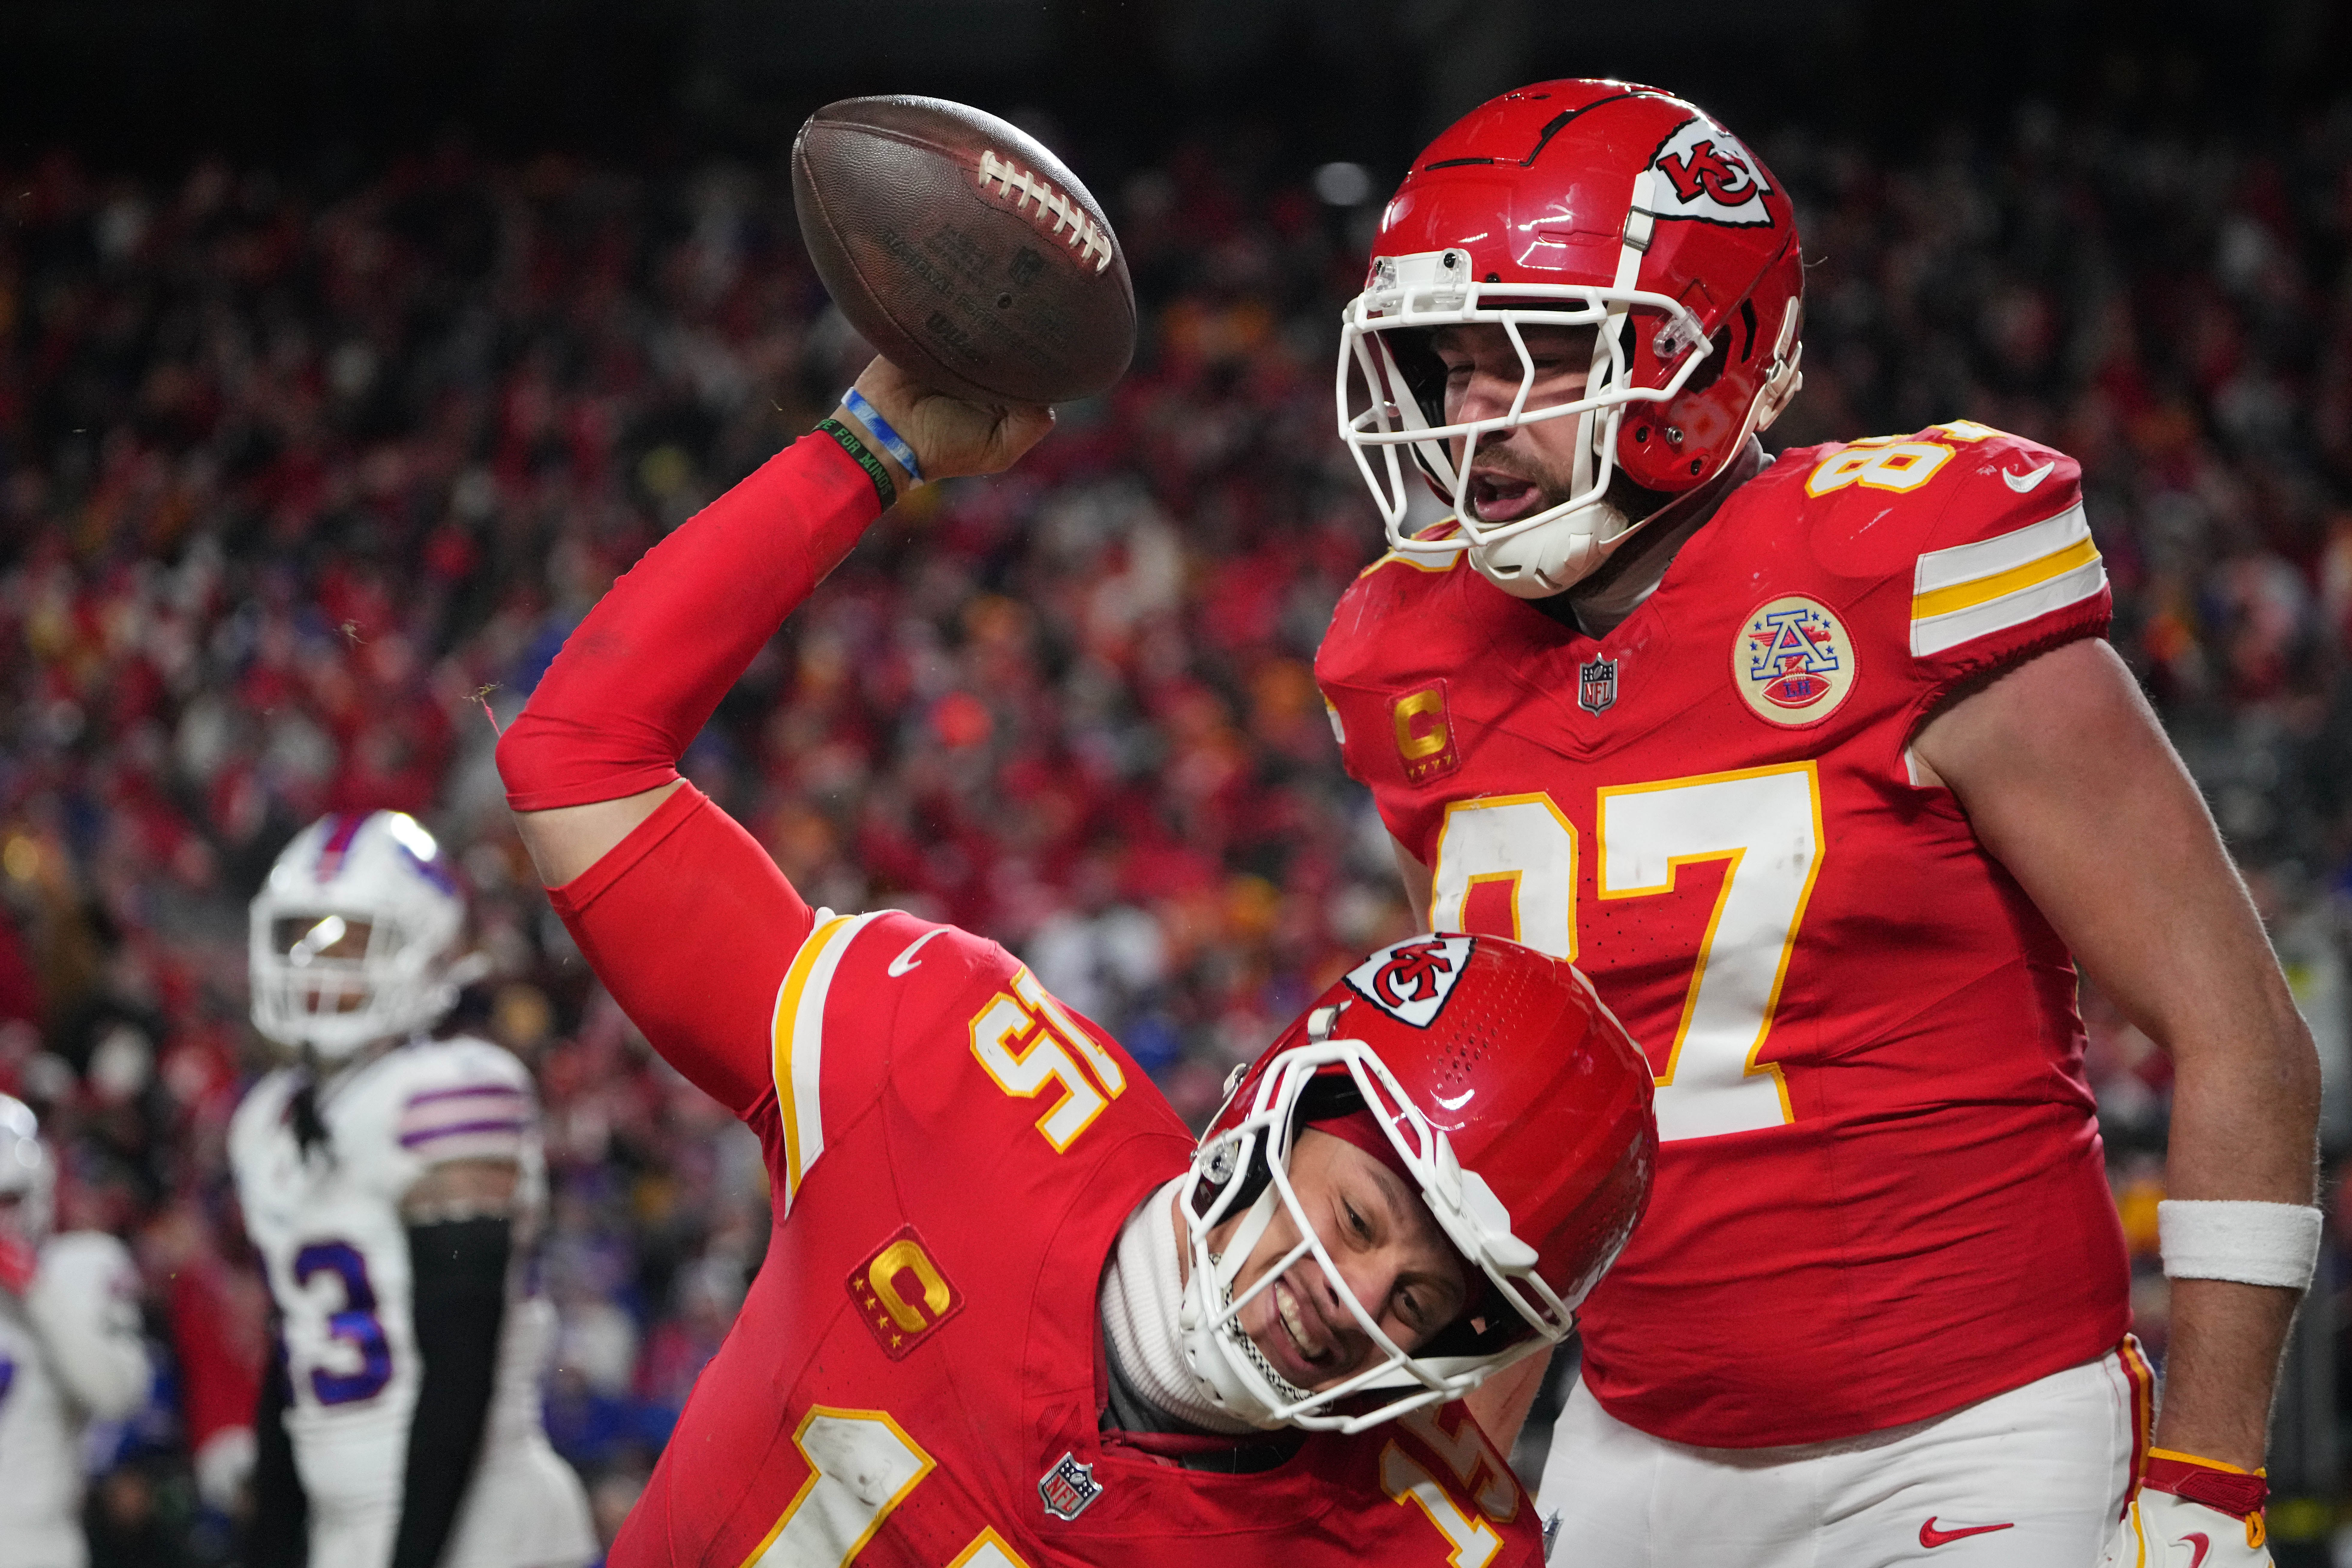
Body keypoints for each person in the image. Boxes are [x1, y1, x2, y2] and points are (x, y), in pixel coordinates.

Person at [1315, 79, 2322, 1568]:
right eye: (1441, 368)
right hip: (1637, 1435)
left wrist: (2212, 1475)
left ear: (1688, 346)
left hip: (1978, 1427)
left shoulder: (1900, 567)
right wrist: (1443, 1474)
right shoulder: (1407, 656)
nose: (1467, 420)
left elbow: (2243, 1034)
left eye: (1521, 361)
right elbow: (1511, 1141)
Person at [491, 360, 1659, 1567]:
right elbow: (577, 760)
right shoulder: (949, 1061)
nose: (1352, 1296)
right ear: (1278, 1097)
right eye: (1358, 1215)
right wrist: (871, 445)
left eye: (1417, 1301)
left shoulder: (1425, 1539)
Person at [229, 809, 597, 1568]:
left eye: (347, 936)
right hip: (346, 1526)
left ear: (426, 945)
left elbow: (459, 1359)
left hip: (484, 1523)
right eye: (300, 934)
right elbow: (293, 1350)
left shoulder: (455, 1090)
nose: (314, 963)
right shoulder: (269, 1118)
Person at [0, 1093, 149, 1568]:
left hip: (37, 1545)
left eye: (7, 1199)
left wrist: (36, 1291)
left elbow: (117, 1392)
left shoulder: (79, 1267)